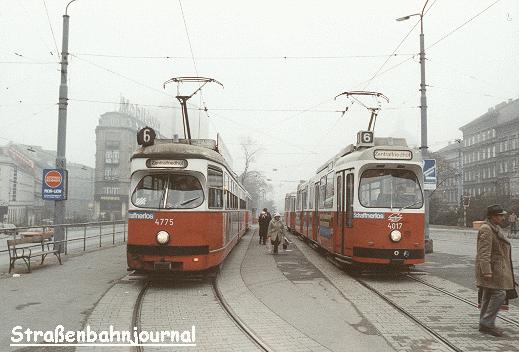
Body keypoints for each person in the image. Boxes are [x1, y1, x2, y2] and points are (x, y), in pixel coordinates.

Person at [475, 204, 515, 337]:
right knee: (499, 294)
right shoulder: (486, 229)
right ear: (492, 216)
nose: (503, 218)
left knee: (488, 294)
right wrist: (486, 271)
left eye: (502, 215)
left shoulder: (495, 227)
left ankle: (484, 323)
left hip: (496, 268)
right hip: (492, 269)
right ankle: (487, 322)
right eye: (500, 215)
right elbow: (483, 253)